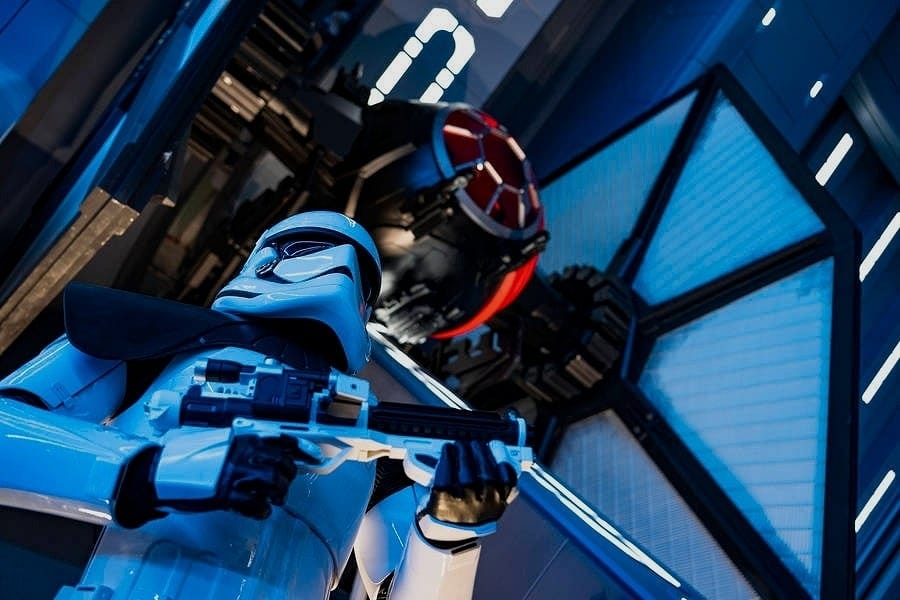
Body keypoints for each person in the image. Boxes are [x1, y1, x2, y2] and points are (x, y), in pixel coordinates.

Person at [0, 211, 519, 599]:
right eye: (314, 247)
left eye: (364, 284)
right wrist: (151, 470)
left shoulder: (374, 443)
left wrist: (448, 535)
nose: (341, 271)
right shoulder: (155, 340)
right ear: (265, 259)